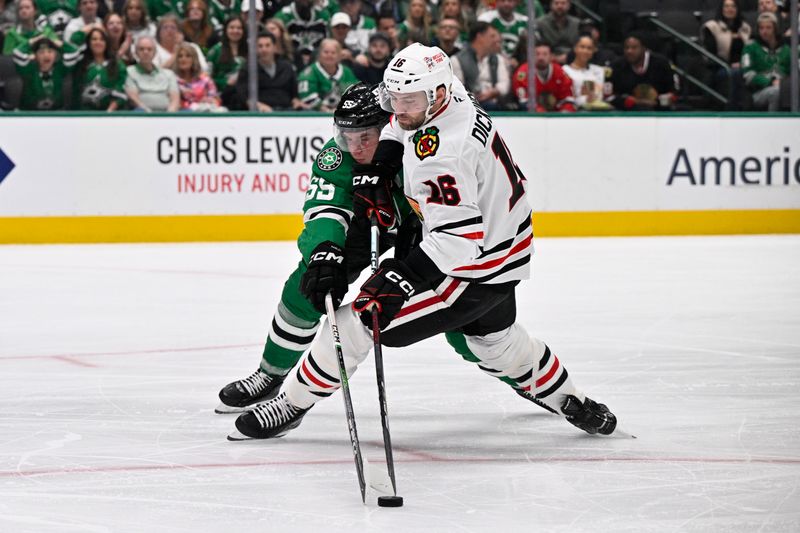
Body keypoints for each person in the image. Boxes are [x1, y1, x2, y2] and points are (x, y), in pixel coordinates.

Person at [228, 43, 620, 441]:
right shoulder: (451, 98)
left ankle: (291, 404)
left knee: (362, 318)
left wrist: (402, 275)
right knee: (495, 342)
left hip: (471, 262)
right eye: (394, 99)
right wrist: (381, 164)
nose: (399, 110)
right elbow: (392, 135)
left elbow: (457, 240)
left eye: (408, 101)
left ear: (436, 95)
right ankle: (573, 400)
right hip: (508, 250)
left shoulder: (439, 156)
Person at [216, 82, 411, 415]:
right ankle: (270, 374)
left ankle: (527, 373)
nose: (356, 146)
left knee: (464, 312)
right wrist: (325, 250)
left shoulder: (418, 149)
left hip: (423, 228)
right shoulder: (338, 158)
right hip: (364, 227)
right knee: (308, 284)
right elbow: (327, 208)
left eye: (365, 136)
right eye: (348, 137)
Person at [233, 30, 303, 111]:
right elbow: (242, 95)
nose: (264, 49)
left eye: (267, 45)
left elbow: (295, 94)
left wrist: (296, 102)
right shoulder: (248, 69)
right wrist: (258, 106)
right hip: (260, 113)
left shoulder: (287, 67)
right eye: (260, 46)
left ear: (274, 47)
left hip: (286, 110)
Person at [609, 32, 677, 111]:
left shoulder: (661, 64)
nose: (629, 51)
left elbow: (672, 92)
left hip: (659, 111)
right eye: (626, 48)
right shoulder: (617, 65)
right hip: (627, 112)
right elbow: (611, 95)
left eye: (634, 48)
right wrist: (629, 101)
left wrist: (659, 101)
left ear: (644, 48)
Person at [12, 33, 82, 109]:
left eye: (50, 51)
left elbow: (74, 52)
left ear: (56, 54)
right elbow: (17, 53)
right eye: (41, 52)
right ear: (35, 55)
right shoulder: (28, 69)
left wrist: (55, 41)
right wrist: (36, 39)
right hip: (30, 114)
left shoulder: (60, 69)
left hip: (56, 114)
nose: (46, 55)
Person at [451, 21, 510, 111]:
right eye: (492, 36)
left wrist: (494, 92)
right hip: (468, 107)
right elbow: (457, 90)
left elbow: (504, 84)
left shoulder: (497, 59)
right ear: (479, 37)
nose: (496, 40)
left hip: (496, 105)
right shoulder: (457, 60)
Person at [742, 11, 794, 112]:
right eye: (761, 28)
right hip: (758, 92)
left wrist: (784, 84)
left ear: (775, 29)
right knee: (774, 92)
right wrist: (770, 82)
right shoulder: (750, 48)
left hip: (784, 88)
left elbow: (793, 73)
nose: (764, 31)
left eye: (768, 27)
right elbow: (748, 75)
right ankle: (774, 123)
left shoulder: (786, 49)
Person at [297, 38, 360, 111]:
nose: (329, 55)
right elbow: (307, 97)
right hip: (316, 115)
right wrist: (326, 110)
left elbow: (356, 94)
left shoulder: (347, 72)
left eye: (333, 53)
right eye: (326, 52)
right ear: (319, 54)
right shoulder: (309, 73)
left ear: (339, 56)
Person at [74, 26, 128, 110]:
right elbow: (73, 41)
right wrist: (92, 25)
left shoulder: (117, 64)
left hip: (110, 115)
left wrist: (108, 113)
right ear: (88, 42)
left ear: (106, 43)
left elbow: (121, 90)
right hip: (84, 115)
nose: (98, 42)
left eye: (102, 39)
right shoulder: (80, 62)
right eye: (94, 39)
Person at [512, 41, 576, 112]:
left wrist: (564, 111)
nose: (540, 57)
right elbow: (524, 101)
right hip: (532, 117)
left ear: (552, 56)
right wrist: (540, 111)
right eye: (537, 54)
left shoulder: (560, 73)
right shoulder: (522, 73)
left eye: (545, 54)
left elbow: (567, 98)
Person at [125, 34, 180, 111]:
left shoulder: (169, 74)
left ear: (155, 53)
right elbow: (133, 98)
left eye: (149, 49)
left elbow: (175, 99)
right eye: (141, 49)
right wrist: (150, 114)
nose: (145, 52)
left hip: (167, 114)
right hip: (142, 114)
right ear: (136, 53)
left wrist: (169, 115)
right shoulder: (129, 71)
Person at [274, 0, 330, 70]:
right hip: (290, 64)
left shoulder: (323, 16)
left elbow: (330, 42)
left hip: (318, 64)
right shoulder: (283, 16)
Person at [562, 34, 611, 110]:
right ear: (575, 48)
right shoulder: (564, 70)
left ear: (593, 51)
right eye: (582, 47)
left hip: (597, 110)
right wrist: (584, 99)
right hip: (575, 111)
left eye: (589, 48)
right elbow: (568, 97)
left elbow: (599, 95)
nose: (585, 51)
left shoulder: (598, 70)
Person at [206, 16, 245, 105]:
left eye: (239, 28)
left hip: (245, 94)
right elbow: (207, 79)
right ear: (226, 30)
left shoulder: (250, 50)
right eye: (232, 28)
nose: (235, 31)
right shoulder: (215, 51)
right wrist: (225, 82)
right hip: (221, 95)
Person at [173, 41, 221, 110]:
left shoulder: (205, 79)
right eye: (180, 56)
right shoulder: (172, 79)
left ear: (194, 59)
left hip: (204, 113)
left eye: (188, 56)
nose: (183, 59)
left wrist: (209, 100)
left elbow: (216, 100)